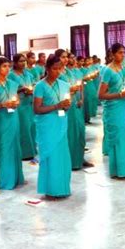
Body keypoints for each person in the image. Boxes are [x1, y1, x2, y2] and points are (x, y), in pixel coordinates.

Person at [33, 54, 71, 199]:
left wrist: (66, 105)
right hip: (47, 126)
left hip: (60, 124)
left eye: (60, 69)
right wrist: (56, 106)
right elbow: (37, 109)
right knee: (50, 157)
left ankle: (62, 188)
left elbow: (67, 105)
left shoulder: (64, 84)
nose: (58, 72)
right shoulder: (40, 86)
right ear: (47, 68)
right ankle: (51, 189)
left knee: (61, 157)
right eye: (54, 68)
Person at [99, 43, 125, 179]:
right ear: (112, 54)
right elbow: (101, 94)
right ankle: (117, 169)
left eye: (124, 52)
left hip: (124, 106)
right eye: (120, 52)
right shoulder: (108, 70)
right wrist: (119, 95)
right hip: (114, 108)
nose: (123, 55)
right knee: (117, 138)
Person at [0, 57, 24, 190]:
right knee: (3, 147)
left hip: (13, 117)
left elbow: (18, 99)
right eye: (4, 66)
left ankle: (16, 177)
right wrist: (3, 104)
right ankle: (6, 180)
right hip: (1, 119)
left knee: (14, 145)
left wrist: (16, 103)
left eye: (8, 66)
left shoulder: (12, 83)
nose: (7, 69)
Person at [55, 49, 92, 170]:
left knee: (80, 131)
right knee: (69, 133)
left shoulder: (69, 72)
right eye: (63, 57)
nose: (66, 59)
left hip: (75, 104)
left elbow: (79, 85)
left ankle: (80, 158)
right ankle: (70, 161)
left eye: (67, 57)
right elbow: (54, 92)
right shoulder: (56, 73)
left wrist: (80, 98)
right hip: (65, 107)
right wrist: (69, 91)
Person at [8, 53, 37, 160]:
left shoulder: (27, 74)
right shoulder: (11, 75)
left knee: (31, 127)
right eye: (20, 61)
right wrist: (22, 89)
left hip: (30, 103)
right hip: (20, 105)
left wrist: (32, 88)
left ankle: (32, 150)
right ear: (15, 63)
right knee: (23, 128)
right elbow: (9, 90)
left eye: (24, 61)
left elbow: (34, 83)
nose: (23, 63)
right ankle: (24, 153)